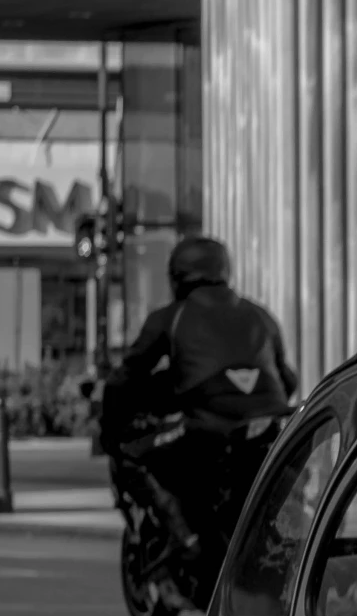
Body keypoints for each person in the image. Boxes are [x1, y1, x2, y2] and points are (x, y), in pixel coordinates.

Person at [105, 236, 298, 555]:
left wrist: (110, 427)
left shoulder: (171, 317)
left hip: (206, 428)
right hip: (268, 426)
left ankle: (186, 538)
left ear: (177, 276)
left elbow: (126, 377)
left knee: (131, 452)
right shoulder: (259, 315)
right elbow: (286, 378)